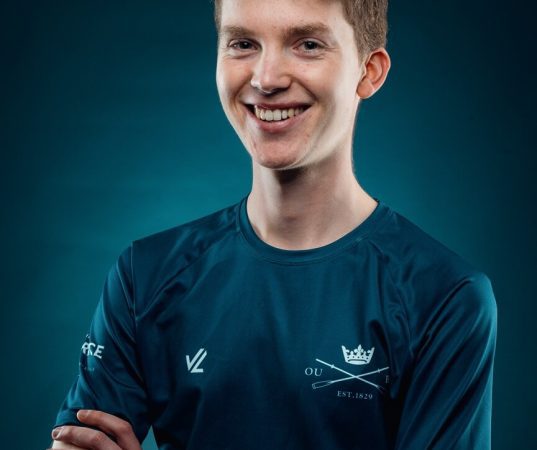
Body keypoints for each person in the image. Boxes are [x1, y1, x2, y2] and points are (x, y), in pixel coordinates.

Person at [50, 0, 497, 448]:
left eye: (308, 44)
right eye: (243, 43)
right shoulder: (144, 277)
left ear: (369, 71)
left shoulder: (444, 297)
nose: (266, 79)